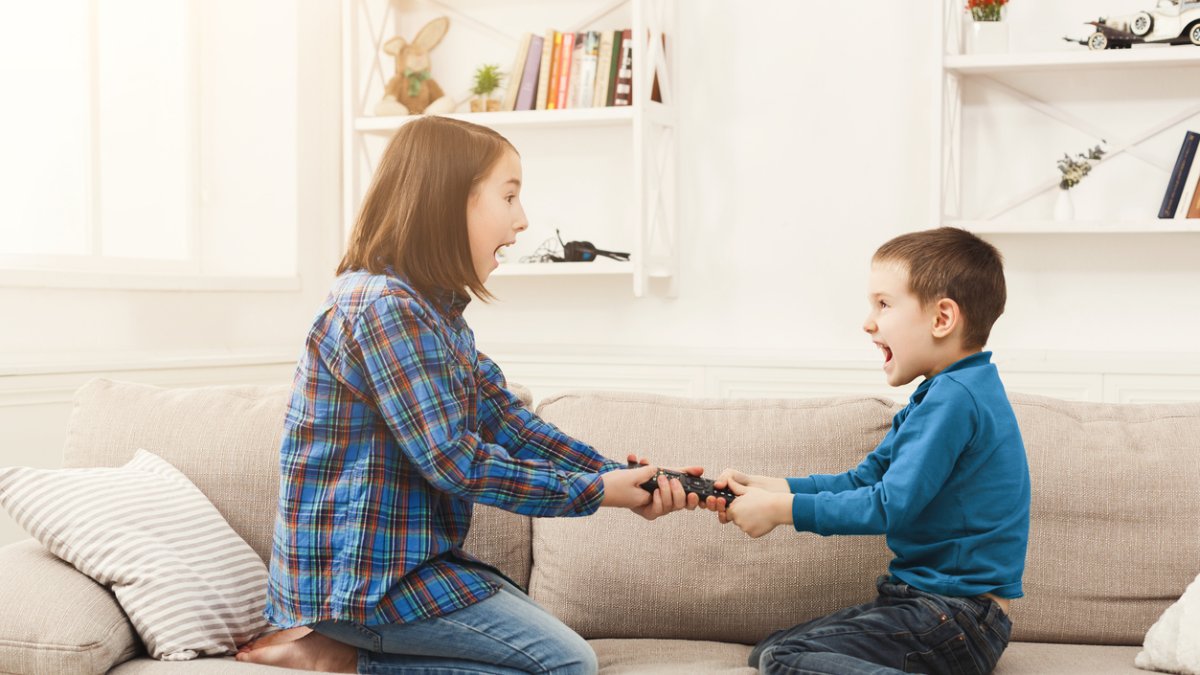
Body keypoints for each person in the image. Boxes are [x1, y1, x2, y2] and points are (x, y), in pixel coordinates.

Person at [238, 116, 701, 674]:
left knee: (553, 652)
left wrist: (636, 479)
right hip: (362, 581)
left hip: (409, 567)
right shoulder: (384, 308)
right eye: (509, 197)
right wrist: (597, 492)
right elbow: (455, 462)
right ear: (448, 201)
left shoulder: (434, 312)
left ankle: (347, 649)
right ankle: (346, 659)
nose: (522, 220)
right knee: (566, 665)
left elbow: (510, 423)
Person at [706, 227, 1030, 675]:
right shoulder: (942, 395)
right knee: (770, 649)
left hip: (956, 618)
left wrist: (781, 511)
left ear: (942, 319)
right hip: (931, 609)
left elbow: (889, 505)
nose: (868, 322)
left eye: (884, 304)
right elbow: (863, 481)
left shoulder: (955, 399)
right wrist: (771, 486)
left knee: (782, 659)